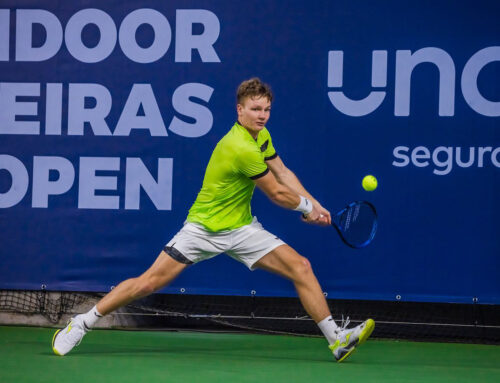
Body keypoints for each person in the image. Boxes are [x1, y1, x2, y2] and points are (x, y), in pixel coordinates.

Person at [52, 78, 374, 362]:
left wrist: (314, 204)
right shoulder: (239, 147)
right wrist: (306, 208)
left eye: (266, 110)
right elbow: (276, 193)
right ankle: (82, 322)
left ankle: (337, 340)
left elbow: (283, 172)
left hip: (243, 228)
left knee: (300, 267)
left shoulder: (261, 137)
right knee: (148, 283)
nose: (262, 115)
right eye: (255, 109)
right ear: (239, 110)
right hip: (203, 229)